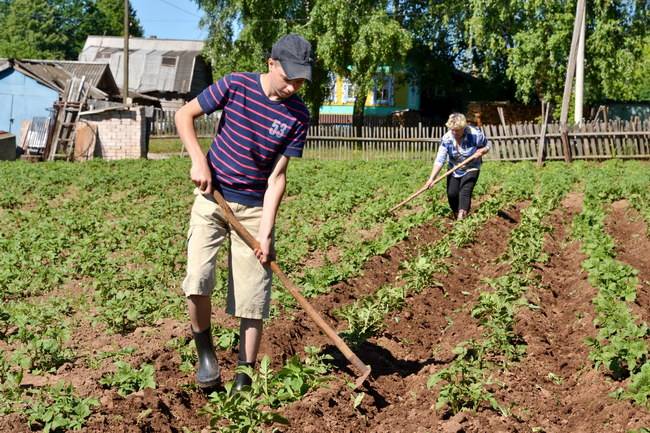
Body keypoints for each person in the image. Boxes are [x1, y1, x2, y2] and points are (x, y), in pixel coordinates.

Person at [174, 34, 313, 392]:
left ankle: (244, 377)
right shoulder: (236, 85)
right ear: (271, 64)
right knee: (198, 280)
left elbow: (277, 176)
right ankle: (206, 355)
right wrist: (198, 160)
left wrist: (266, 231)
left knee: (253, 297)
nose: (292, 87)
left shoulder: (298, 115)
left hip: (253, 210)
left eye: (300, 81)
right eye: (289, 78)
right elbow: (184, 114)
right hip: (212, 197)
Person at [425, 113, 490, 220]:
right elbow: (440, 160)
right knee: (452, 194)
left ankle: (462, 216)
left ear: (464, 128)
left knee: (465, 190)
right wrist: (431, 178)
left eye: (457, 130)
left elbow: (487, 145)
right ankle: (456, 214)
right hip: (454, 168)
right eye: (452, 130)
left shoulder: (475, 134)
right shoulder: (447, 139)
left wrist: (482, 151)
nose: (454, 132)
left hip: (472, 167)